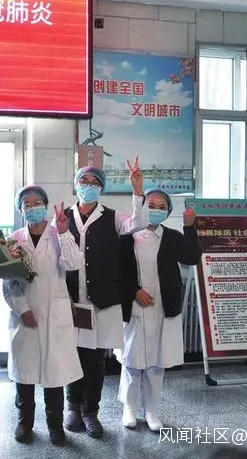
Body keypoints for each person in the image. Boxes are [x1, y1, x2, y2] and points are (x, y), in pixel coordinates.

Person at [61, 159, 148, 439]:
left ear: (102, 188)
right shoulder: (62, 217)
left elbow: (139, 223)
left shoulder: (113, 217)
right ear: (75, 185)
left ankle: (91, 412)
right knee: (72, 354)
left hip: (102, 301)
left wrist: (137, 190)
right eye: (84, 181)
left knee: (95, 359)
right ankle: (72, 407)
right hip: (72, 300)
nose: (89, 186)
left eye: (95, 182)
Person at [3, 186, 84, 446]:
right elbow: (9, 282)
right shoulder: (13, 240)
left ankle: (55, 426)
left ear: (46, 206)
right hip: (25, 315)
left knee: (54, 373)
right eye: (26, 204)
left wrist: (64, 233)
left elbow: (74, 264)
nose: (32, 207)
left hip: (54, 314)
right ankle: (24, 422)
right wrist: (22, 309)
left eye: (37, 202)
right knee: (25, 373)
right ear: (20, 209)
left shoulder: (59, 234)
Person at [117, 189, 201, 432]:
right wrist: (135, 291)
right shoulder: (128, 236)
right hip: (134, 304)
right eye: (151, 205)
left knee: (156, 362)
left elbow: (192, 257)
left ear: (168, 212)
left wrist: (189, 227)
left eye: (161, 207)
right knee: (132, 359)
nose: (156, 210)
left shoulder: (172, 237)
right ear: (142, 207)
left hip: (163, 306)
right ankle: (129, 407)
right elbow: (119, 270)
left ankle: (151, 410)